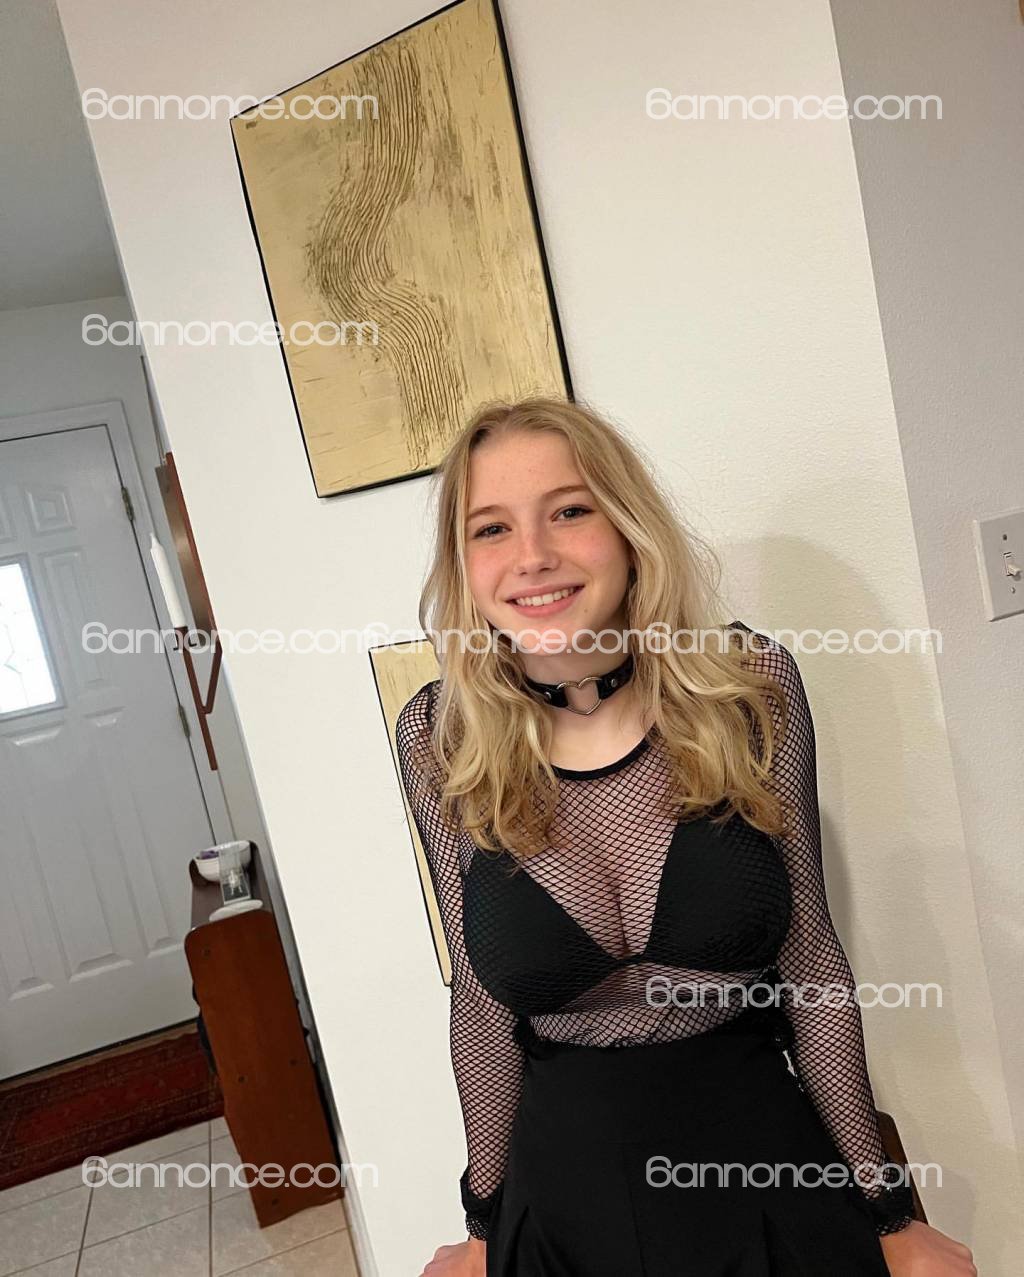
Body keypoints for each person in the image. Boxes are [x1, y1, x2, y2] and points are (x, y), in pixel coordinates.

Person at [395, 397, 975, 1276]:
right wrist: (481, 1227)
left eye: (570, 510)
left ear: (628, 528)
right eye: (491, 528)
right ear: (462, 563)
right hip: (563, 1212)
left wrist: (889, 1210)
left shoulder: (747, 690)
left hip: (767, 1179)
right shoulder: (443, 738)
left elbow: (810, 959)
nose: (533, 555)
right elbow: (479, 1002)